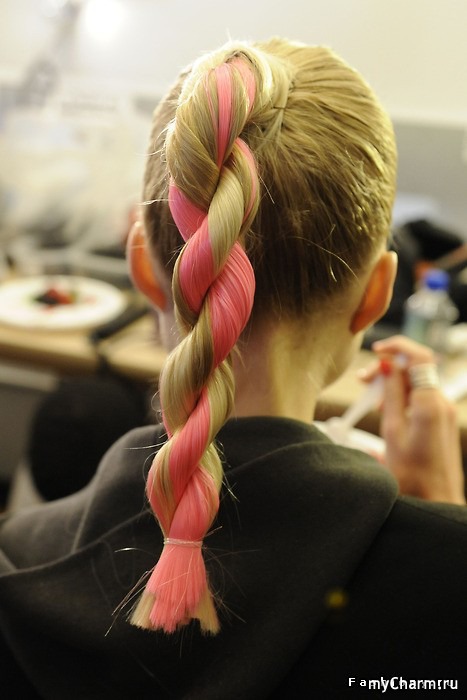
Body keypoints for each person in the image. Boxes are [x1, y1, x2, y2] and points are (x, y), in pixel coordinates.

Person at [0, 37, 466, 698]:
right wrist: (443, 524)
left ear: (144, 271)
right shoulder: (447, 588)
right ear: (377, 294)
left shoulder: (18, 559)